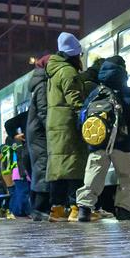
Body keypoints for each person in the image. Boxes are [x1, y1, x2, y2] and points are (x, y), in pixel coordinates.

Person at [75, 55, 130, 222]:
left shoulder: (95, 93)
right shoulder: (127, 93)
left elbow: (82, 119)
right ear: (123, 71)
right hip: (122, 143)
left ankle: (84, 209)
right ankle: (124, 209)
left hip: (98, 143)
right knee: (126, 177)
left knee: (93, 175)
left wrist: (91, 140)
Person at [45, 33, 93, 221]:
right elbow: (75, 100)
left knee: (59, 168)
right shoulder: (68, 72)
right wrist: (86, 114)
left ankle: (57, 210)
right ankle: (75, 208)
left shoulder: (54, 71)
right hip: (67, 125)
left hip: (55, 124)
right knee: (74, 165)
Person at [25, 54, 52, 221]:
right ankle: (39, 209)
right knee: (42, 167)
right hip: (40, 133)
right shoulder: (42, 85)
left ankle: (37, 208)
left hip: (36, 132)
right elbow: (44, 111)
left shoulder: (39, 83)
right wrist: (52, 127)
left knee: (40, 168)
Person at [2, 114, 32, 219]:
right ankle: (17, 211)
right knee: (21, 192)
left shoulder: (12, 142)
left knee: (19, 192)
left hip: (16, 171)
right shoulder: (19, 143)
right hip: (20, 171)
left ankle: (19, 211)